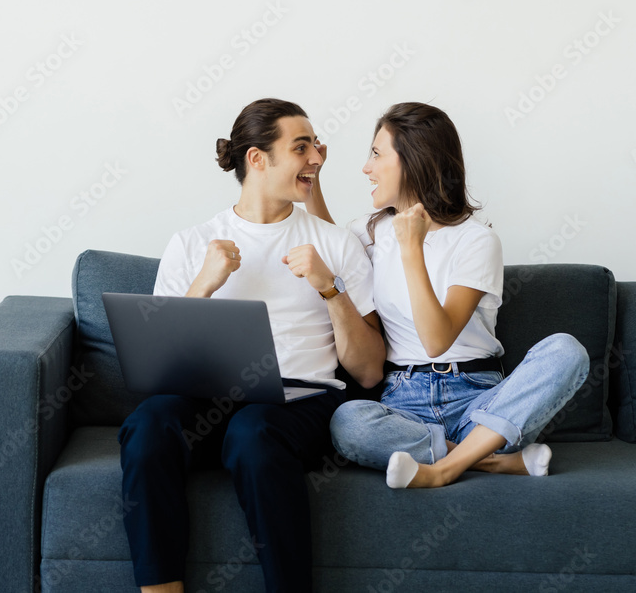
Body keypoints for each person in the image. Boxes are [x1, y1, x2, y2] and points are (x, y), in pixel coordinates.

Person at [118, 98, 386, 592]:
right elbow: (159, 369)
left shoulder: (335, 243)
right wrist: (204, 284)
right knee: (148, 423)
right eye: (300, 147)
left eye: (316, 147)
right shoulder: (192, 242)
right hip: (206, 397)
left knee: (253, 430)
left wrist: (330, 289)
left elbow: (369, 372)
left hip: (299, 401)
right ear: (257, 159)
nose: (316, 159)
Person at [326, 102, 590, 489]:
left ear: (413, 161)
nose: (367, 167)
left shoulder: (477, 241)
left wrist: (411, 249)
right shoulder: (371, 231)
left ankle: (444, 469)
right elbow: (325, 242)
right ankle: (493, 461)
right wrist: (310, 177)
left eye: (377, 154)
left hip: (480, 402)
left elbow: (437, 340)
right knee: (347, 421)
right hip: (404, 401)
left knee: (567, 350)